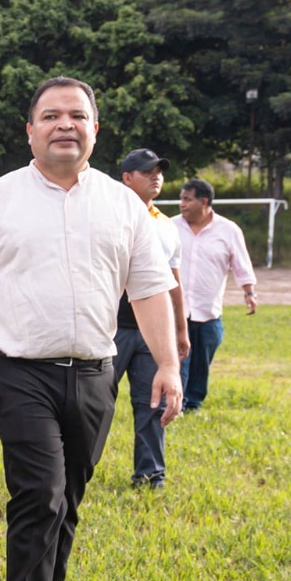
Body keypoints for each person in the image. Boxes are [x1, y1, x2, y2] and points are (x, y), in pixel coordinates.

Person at [0, 77, 181, 581]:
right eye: (50, 115)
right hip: (19, 371)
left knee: (67, 503)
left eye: (78, 115)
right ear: (30, 130)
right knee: (41, 496)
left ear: (95, 129)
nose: (65, 125)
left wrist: (168, 363)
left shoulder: (123, 205)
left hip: (96, 373)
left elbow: (149, 288)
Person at [112, 148, 189, 489]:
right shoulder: (106, 216)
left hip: (151, 333)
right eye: (147, 171)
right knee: (91, 403)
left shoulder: (166, 226)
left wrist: (180, 329)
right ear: (127, 178)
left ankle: (150, 475)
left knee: (152, 404)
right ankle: (72, 467)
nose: (156, 176)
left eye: (159, 171)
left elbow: (173, 282)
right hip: (111, 328)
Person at [175, 178, 257, 412]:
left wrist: (249, 293)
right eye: (181, 199)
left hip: (209, 311)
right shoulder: (169, 227)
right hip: (176, 311)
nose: (182, 204)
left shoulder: (228, 230)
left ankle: (194, 403)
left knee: (202, 362)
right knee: (179, 360)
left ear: (204, 202)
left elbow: (242, 264)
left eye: (187, 199)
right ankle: (176, 404)